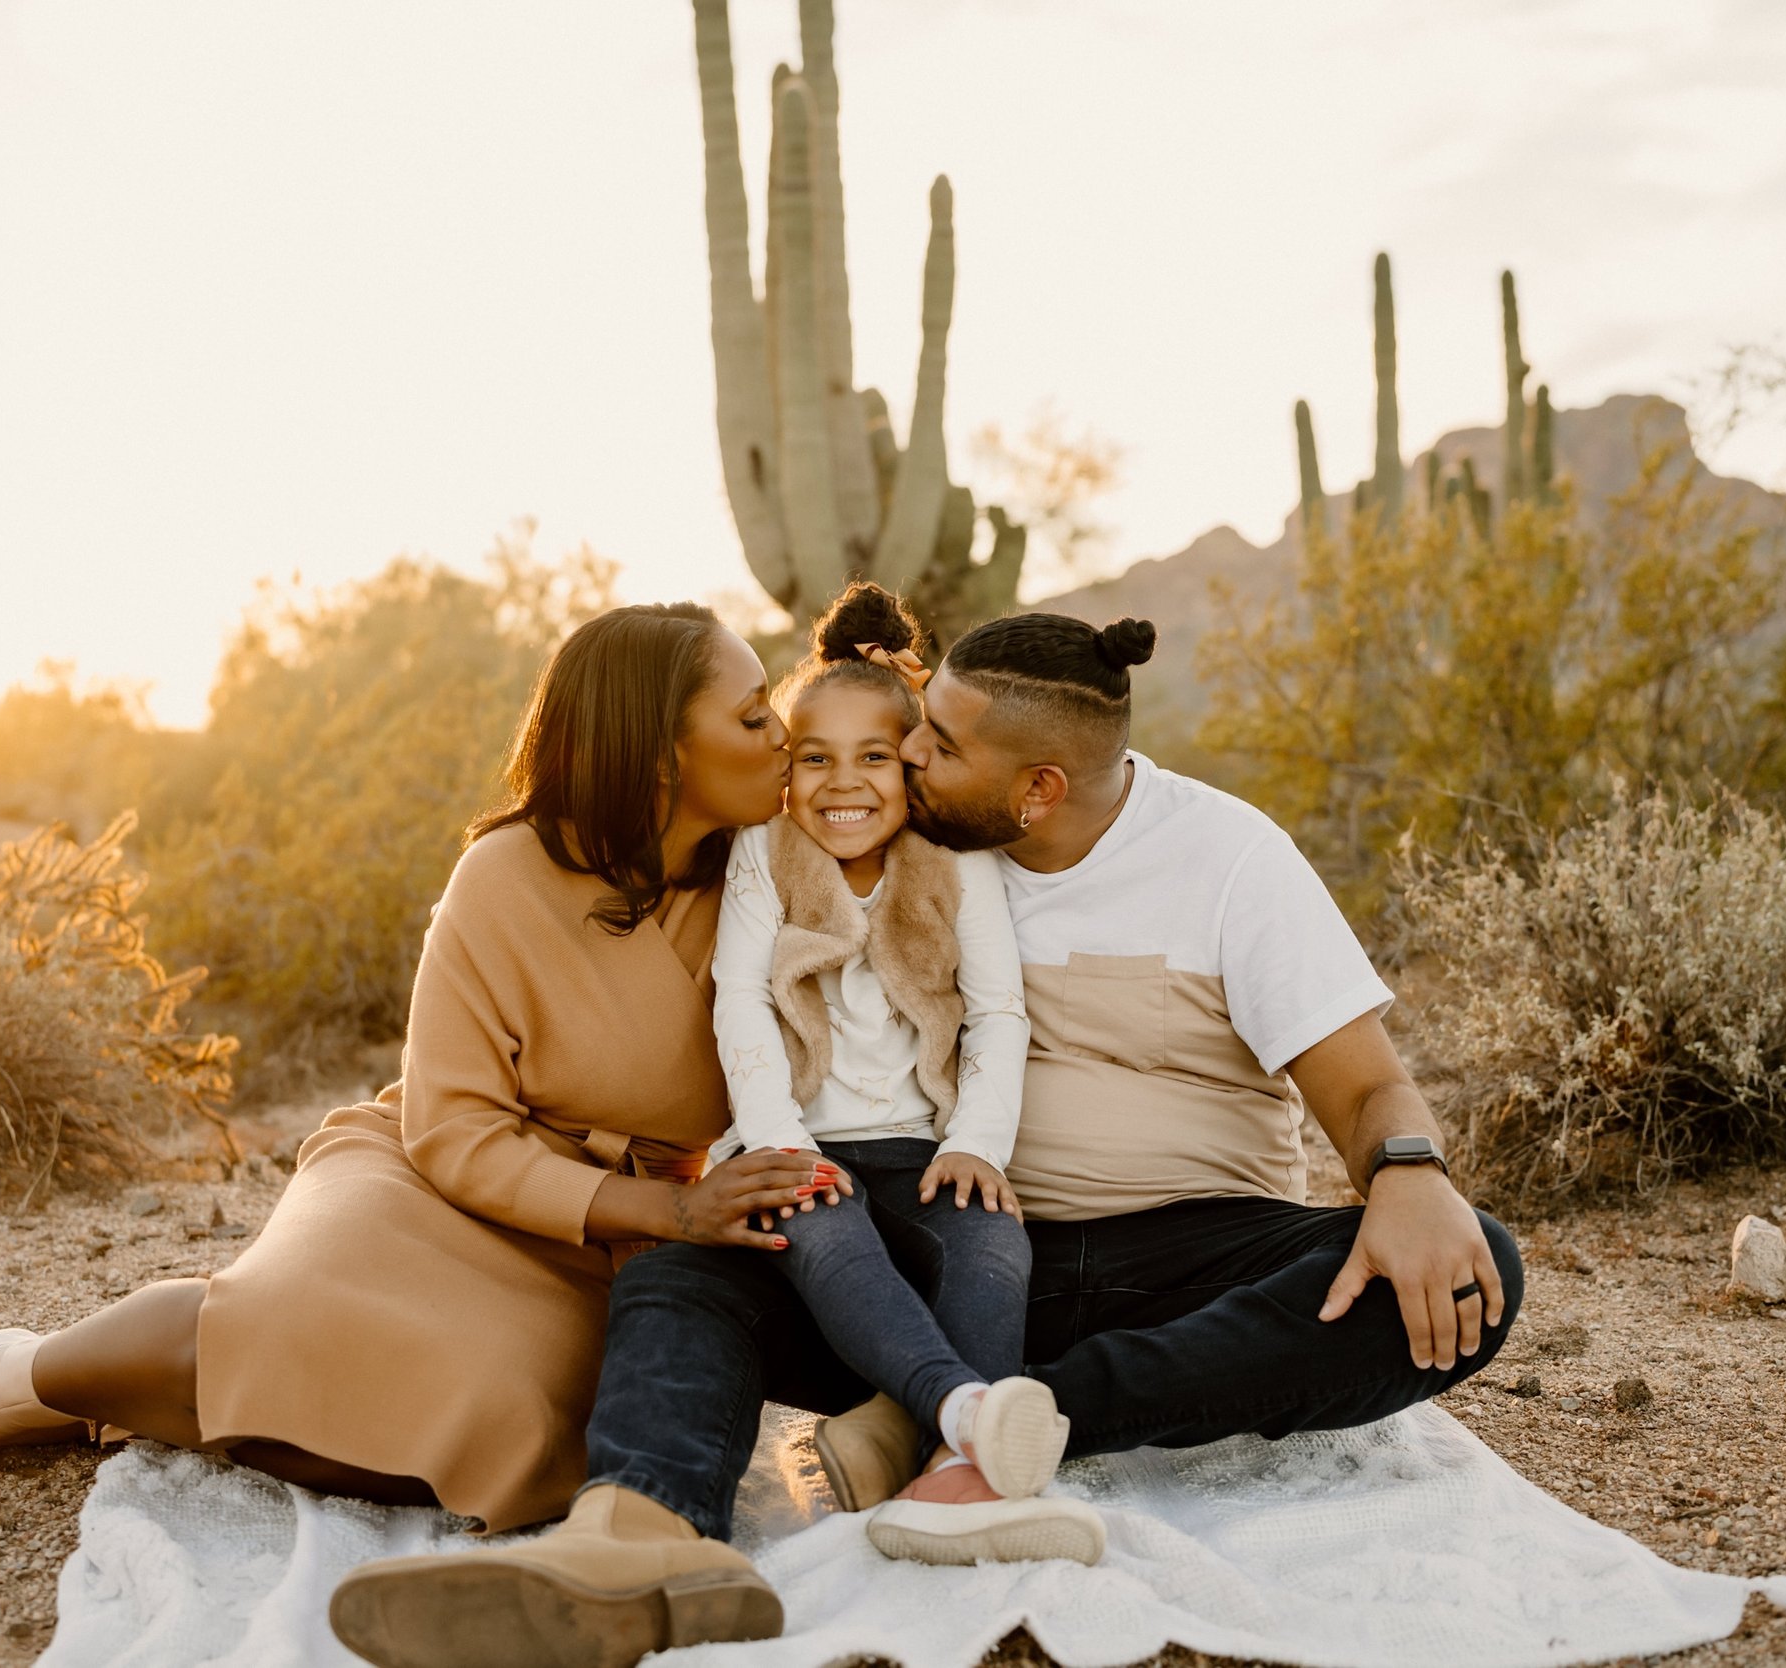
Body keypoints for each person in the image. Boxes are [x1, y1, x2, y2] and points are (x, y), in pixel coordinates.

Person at [326, 609, 1526, 1668]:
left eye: (936, 746)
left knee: (1473, 1268)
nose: (904, 755)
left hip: (1170, 1265)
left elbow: (1365, 1087)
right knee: (691, 1266)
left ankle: (963, 1427)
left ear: (1038, 786)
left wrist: (1411, 1174)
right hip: (891, 1261)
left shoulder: (1226, 860)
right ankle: (637, 1534)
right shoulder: (871, 843)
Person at [0, 602, 835, 1614]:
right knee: (285, 1333)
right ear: (658, 755)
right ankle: (13, 1377)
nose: (781, 737)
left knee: (513, 1438)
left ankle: (164, 1407)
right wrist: (663, 1215)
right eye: (751, 717)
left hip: (622, 1237)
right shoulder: (503, 874)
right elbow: (452, 1127)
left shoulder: (769, 877)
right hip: (433, 1182)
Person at [708, 583, 1093, 1564]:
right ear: (785, 774)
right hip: (803, 1139)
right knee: (831, 1242)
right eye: (815, 759)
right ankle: (966, 1420)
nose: (846, 784)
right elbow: (739, 999)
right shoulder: (762, 855)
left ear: (910, 766)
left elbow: (999, 1013)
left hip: (922, 1144)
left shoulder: (956, 865)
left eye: (874, 756)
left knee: (993, 1243)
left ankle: (950, 1476)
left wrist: (975, 1144)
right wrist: (781, 1145)